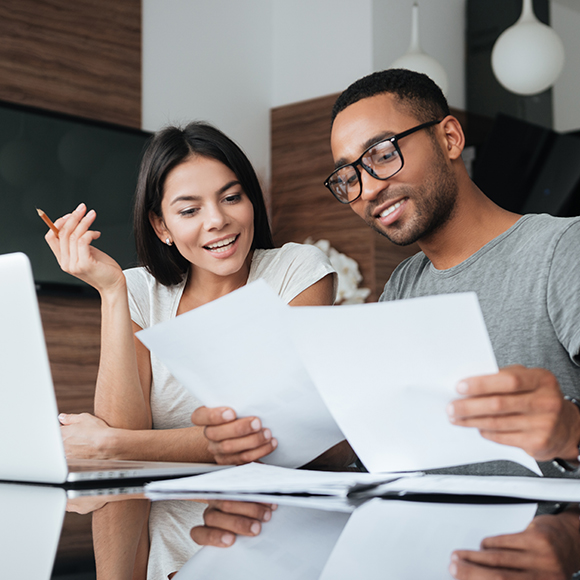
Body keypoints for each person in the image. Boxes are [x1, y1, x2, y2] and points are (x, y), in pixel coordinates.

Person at [192, 68, 580, 548]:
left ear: (450, 138)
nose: (368, 189)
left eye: (381, 154)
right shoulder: (403, 286)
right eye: (347, 176)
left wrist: (571, 434)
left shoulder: (563, 250)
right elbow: (374, 450)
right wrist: (260, 442)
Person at [44, 121, 342, 576]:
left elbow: (278, 435)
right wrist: (110, 291)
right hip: (163, 554)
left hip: (275, 545)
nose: (217, 220)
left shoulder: (296, 271)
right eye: (189, 210)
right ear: (161, 226)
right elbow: (125, 446)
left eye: (231, 197)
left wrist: (111, 445)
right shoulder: (139, 290)